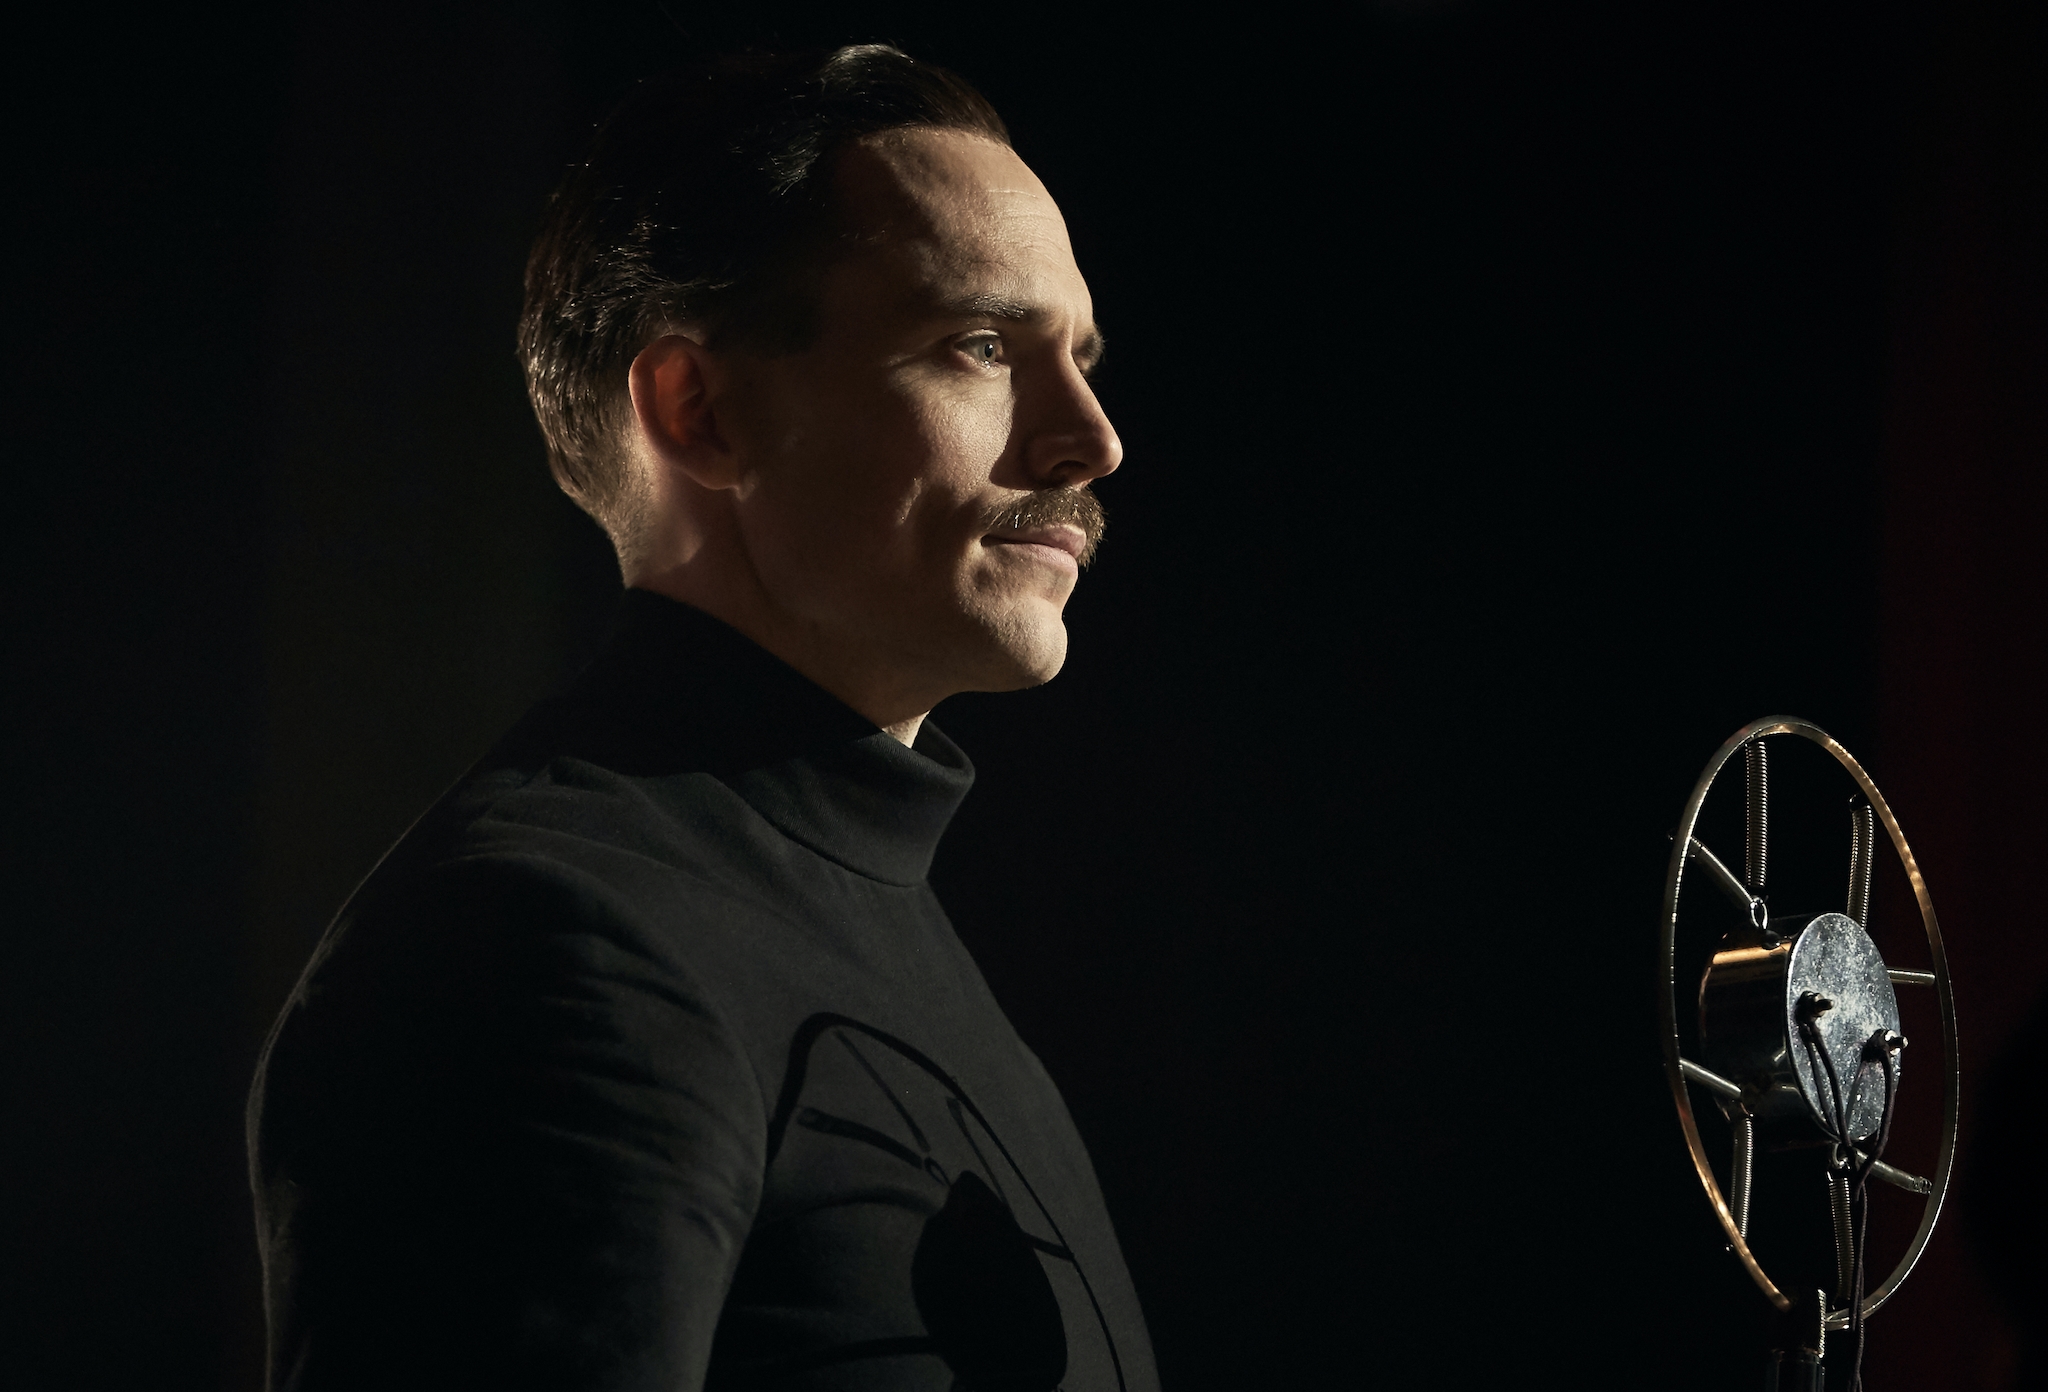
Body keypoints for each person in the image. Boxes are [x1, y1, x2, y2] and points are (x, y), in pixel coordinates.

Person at [246, 43, 1157, 1392]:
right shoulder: (540, 945)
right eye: (979, 346)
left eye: (1079, 358)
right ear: (700, 410)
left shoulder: (874, 935)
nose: (1092, 439)